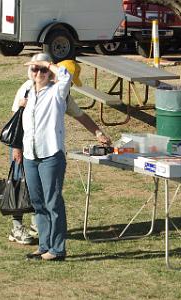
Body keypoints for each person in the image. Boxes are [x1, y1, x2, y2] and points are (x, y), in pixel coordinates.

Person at [12, 53, 110, 261]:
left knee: (52, 201)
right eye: (34, 69)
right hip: (30, 154)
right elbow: (18, 121)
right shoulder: (25, 90)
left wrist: (48, 64)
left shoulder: (58, 92)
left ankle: (57, 250)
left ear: (50, 72)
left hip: (51, 154)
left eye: (43, 70)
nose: (38, 73)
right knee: (38, 203)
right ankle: (44, 245)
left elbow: (65, 78)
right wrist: (17, 147)